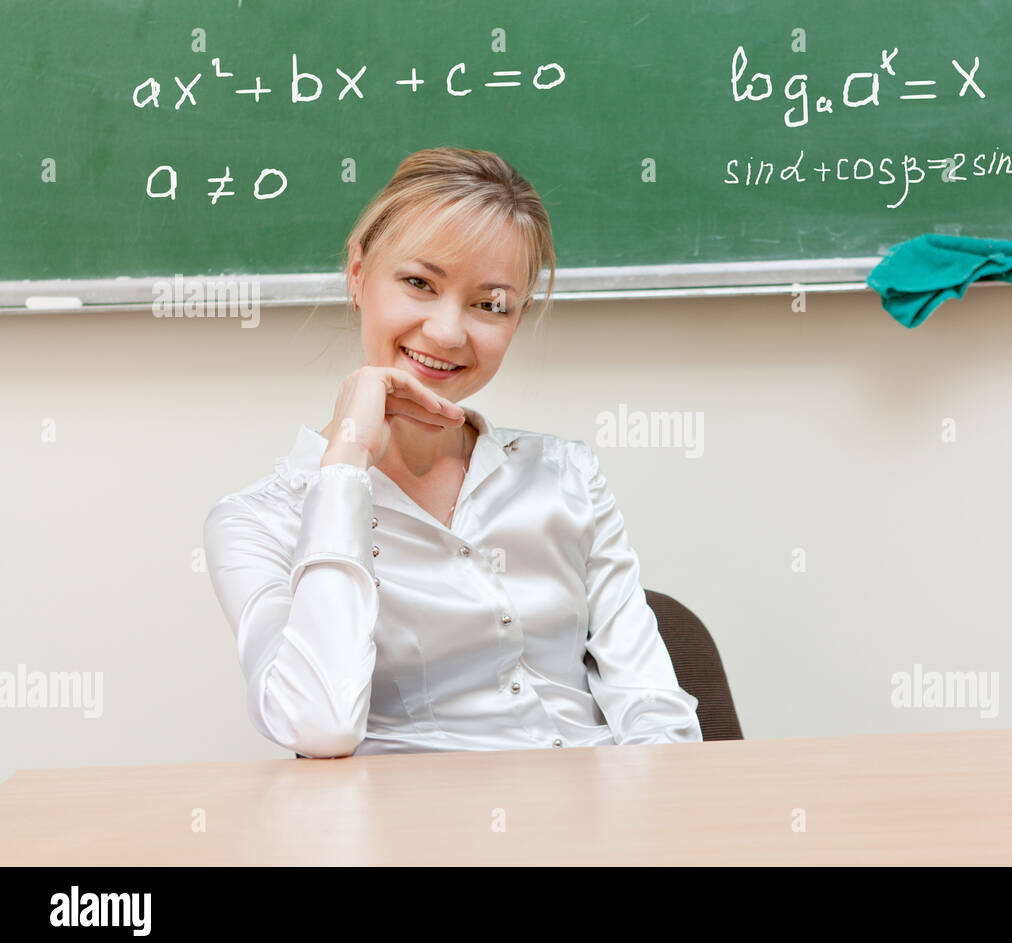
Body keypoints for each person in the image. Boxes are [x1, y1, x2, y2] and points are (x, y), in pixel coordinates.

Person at [203, 147, 702, 758]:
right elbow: (320, 726)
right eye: (419, 283)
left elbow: (653, 706)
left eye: (490, 304)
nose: (446, 332)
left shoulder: (566, 476)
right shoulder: (258, 522)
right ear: (358, 274)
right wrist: (347, 459)